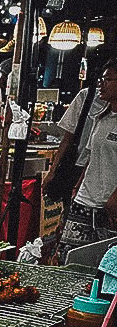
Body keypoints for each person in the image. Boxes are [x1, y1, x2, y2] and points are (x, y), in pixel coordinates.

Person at [59, 58, 117, 253]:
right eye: (101, 78)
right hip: (84, 201)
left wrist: (114, 198)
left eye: (108, 79)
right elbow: (90, 157)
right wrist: (77, 188)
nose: (101, 83)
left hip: (109, 207)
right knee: (69, 258)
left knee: (104, 267)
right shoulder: (101, 117)